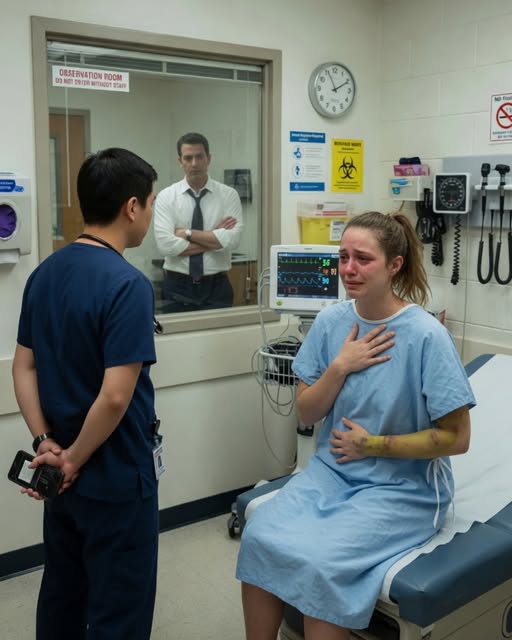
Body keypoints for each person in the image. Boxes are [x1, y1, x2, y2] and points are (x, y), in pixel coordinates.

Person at [236, 211, 476, 640]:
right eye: (343, 257)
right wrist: (339, 367)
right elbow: (307, 413)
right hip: (332, 473)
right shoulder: (331, 323)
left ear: (394, 265)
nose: (349, 268)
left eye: (363, 259)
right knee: (259, 535)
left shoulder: (425, 336)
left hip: (403, 490)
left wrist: (374, 445)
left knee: (324, 564)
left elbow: (458, 438)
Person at [12, 148, 161, 640]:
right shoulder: (128, 284)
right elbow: (116, 397)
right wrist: (75, 459)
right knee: (119, 610)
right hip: (114, 476)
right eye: (152, 204)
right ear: (132, 207)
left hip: (57, 476)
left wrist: (46, 445)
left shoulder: (45, 273)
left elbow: (23, 367)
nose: (150, 215)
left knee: (63, 594)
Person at [153, 131, 243, 312]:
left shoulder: (228, 195)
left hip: (217, 286)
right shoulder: (166, 197)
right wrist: (213, 237)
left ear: (208, 158)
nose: (194, 163)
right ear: (180, 161)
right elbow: (165, 246)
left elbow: (232, 241)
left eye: (199, 157)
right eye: (188, 158)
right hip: (178, 287)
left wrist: (186, 233)